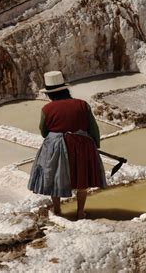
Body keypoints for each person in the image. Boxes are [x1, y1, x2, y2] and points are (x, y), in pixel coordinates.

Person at [28, 71, 107, 219]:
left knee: (54, 176)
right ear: (65, 89)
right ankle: (80, 212)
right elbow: (93, 128)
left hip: (57, 147)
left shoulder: (47, 109)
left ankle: (57, 210)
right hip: (82, 146)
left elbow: (44, 131)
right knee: (82, 179)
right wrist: (94, 145)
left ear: (50, 94)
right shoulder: (82, 105)